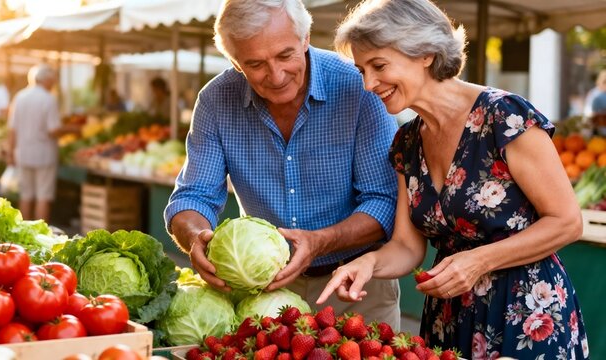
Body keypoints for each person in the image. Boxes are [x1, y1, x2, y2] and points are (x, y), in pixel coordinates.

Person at [318, 0, 589, 358]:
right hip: (448, 322)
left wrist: (479, 261)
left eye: (378, 66)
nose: (368, 83)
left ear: (425, 53)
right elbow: (407, 246)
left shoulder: (503, 116)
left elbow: (567, 222)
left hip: (527, 318)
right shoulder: (407, 142)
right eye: (362, 70)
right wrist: (366, 263)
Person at [164, 0, 400, 325]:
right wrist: (195, 237)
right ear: (235, 62)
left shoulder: (358, 87)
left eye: (285, 55)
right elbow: (194, 196)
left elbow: (385, 201)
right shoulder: (215, 100)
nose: (276, 75)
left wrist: (320, 242)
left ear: (305, 39)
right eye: (255, 63)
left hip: (355, 285)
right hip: (262, 293)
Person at [7, 65, 78, 222]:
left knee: (26, 195)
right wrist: (73, 130)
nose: (53, 83)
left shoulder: (20, 97)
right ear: (46, 80)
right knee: (43, 196)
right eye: (52, 80)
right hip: (44, 155)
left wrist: (10, 153)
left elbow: (12, 129)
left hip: (23, 153)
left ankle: (22, 233)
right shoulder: (48, 99)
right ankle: (39, 235)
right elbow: (53, 130)